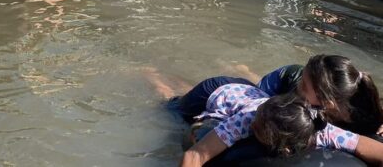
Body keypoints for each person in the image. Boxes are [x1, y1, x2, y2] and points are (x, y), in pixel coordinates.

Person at [146, 75, 383, 166]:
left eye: (259, 129)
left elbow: (364, 145)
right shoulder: (246, 120)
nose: (254, 126)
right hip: (215, 92)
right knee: (170, 103)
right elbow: (194, 155)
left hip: (245, 93)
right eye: (256, 123)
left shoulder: (320, 129)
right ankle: (150, 75)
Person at [257, 55, 383, 136]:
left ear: (327, 103)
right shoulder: (294, 79)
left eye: (304, 86)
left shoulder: (364, 112)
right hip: (284, 77)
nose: (298, 85)